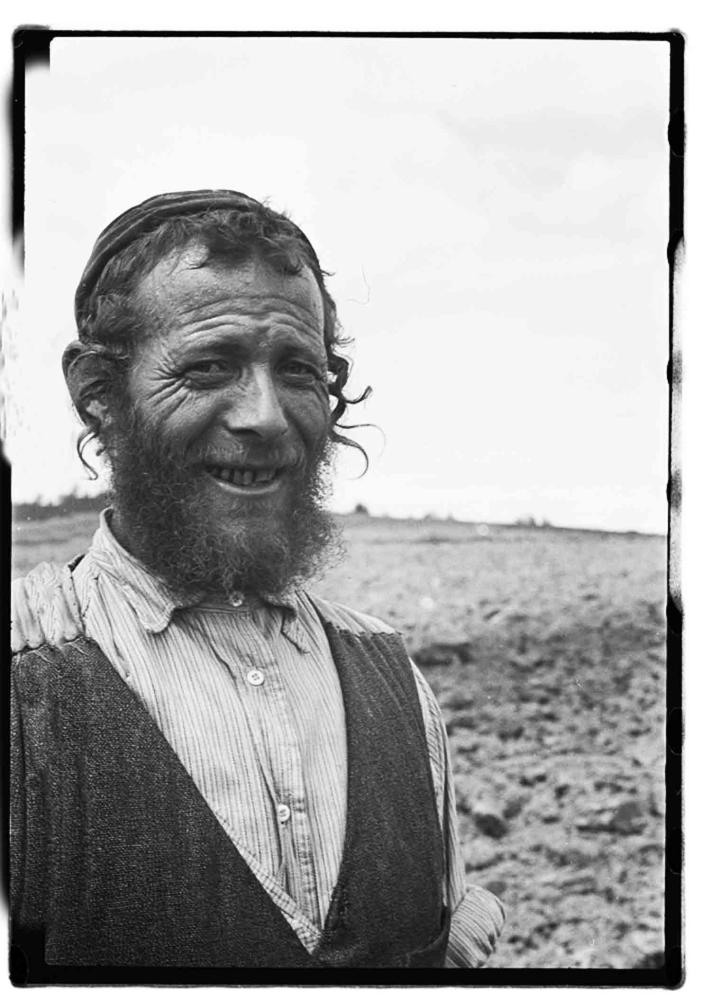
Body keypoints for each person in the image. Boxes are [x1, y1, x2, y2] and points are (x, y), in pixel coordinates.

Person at [10, 190, 505, 975]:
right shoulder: (22, 689)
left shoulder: (394, 680)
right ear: (98, 393)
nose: (266, 416)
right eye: (210, 366)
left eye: (299, 369)